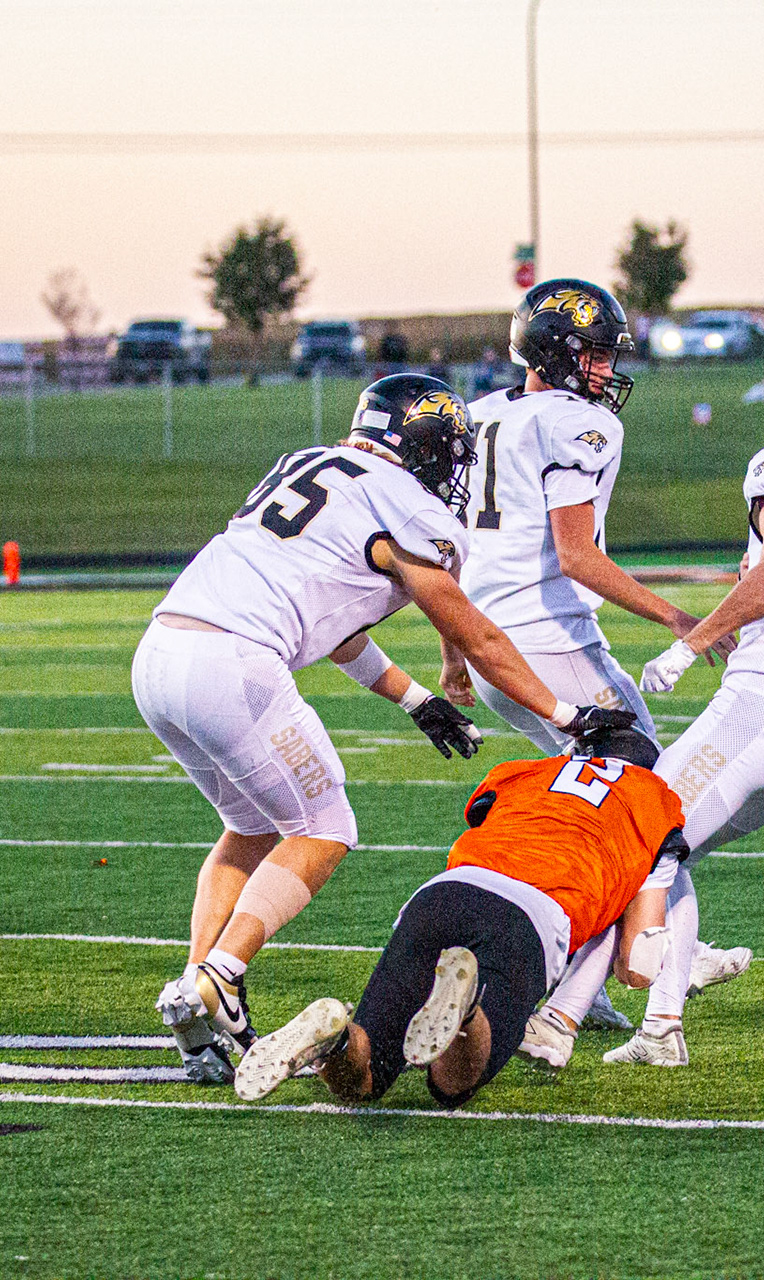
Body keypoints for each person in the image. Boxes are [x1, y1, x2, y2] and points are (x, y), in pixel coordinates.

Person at [135, 373, 635, 1084]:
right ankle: (220, 974)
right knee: (325, 826)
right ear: (425, 444)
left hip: (159, 654)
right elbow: (479, 635)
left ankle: (194, 994)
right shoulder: (408, 505)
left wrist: (415, 699)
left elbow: (334, 620)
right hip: (232, 664)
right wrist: (565, 714)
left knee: (249, 828)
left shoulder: (312, 463)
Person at [526, 395, 764, 1069]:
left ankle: (559, 1018)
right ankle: (661, 1027)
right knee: (667, 855)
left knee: (636, 835)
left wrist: (691, 642)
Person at [453, 278, 743, 1031]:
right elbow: (576, 556)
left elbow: (451, 551)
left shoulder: (480, 416)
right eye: (598, 355)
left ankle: (593, 972)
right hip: (550, 643)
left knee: (594, 807)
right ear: (557, 353)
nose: (609, 370)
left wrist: (456, 654)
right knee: (647, 801)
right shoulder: (578, 424)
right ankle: (663, 957)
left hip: (493, 649)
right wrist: (679, 618)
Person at [232, 726, 684, 1108]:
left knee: (364, 1082)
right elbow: (637, 965)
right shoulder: (655, 802)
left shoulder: (526, 770)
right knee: (452, 1086)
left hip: (446, 893)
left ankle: (336, 1042)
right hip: (532, 916)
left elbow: (483, 816)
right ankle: (465, 1011)